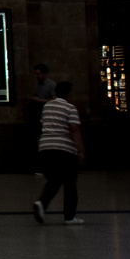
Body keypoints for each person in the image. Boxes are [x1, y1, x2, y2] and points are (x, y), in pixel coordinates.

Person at [33, 81, 85, 225]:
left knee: (54, 179)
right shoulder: (70, 108)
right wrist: (81, 151)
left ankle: (41, 203)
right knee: (70, 182)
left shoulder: (47, 106)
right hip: (64, 150)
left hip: (45, 148)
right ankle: (70, 216)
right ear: (68, 93)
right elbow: (74, 129)